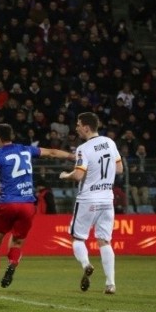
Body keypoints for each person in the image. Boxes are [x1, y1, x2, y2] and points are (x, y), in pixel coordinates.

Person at [0, 124, 74, 294]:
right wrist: (72, 156)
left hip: (8, 203)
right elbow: (52, 152)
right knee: (17, 242)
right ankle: (13, 263)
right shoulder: (26, 149)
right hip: (27, 205)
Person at [59, 112, 123, 295]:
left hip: (88, 199)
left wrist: (66, 175)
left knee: (78, 238)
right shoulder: (110, 142)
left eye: (78, 125)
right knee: (104, 241)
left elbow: (78, 175)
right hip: (107, 199)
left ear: (86, 127)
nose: (77, 127)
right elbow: (119, 169)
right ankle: (110, 284)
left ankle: (86, 264)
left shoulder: (83, 149)